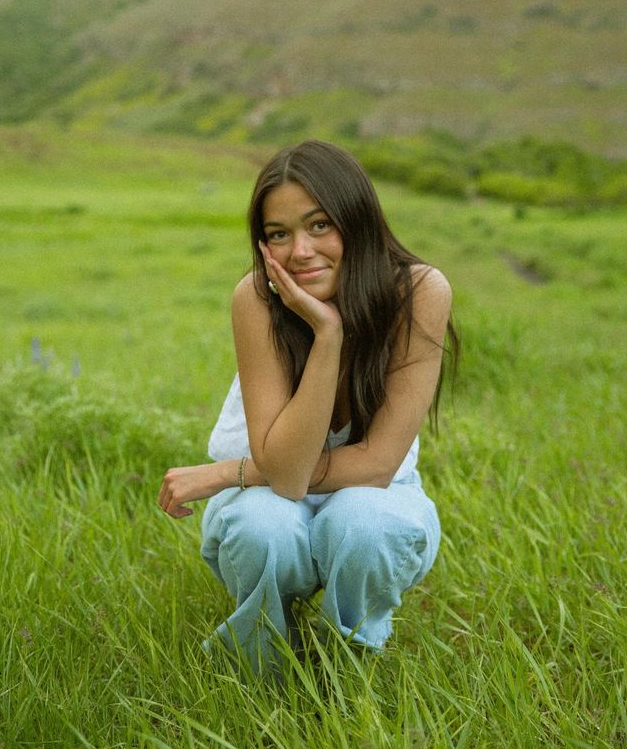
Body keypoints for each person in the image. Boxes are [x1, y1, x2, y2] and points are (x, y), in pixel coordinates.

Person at [157, 140, 457, 673]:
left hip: (372, 494)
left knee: (364, 522)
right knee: (264, 527)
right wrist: (327, 333)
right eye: (279, 234)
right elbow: (289, 478)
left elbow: (375, 465)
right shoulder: (257, 298)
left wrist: (229, 470)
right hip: (265, 495)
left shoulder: (418, 291)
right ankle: (262, 668)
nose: (300, 251)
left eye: (320, 225)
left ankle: (347, 665)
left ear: (357, 220)